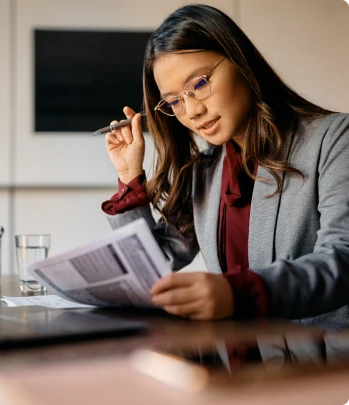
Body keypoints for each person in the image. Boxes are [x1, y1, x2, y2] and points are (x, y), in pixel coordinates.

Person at [102, 4, 349, 328]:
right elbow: (157, 262)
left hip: (315, 371)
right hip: (231, 366)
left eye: (199, 84)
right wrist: (128, 176)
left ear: (240, 61)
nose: (191, 110)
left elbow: (342, 261)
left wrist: (238, 293)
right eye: (175, 101)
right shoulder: (204, 171)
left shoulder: (334, 139)